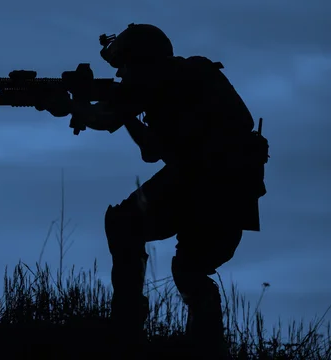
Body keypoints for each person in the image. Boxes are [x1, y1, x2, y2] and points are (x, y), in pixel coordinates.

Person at [35, 23, 269, 359]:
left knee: (125, 224)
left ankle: (128, 326)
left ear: (142, 63)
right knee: (189, 269)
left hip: (208, 185)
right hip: (229, 191)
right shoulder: (191, 75)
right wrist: (112, 108)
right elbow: (147, 137)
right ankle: (206, 346)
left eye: (125, 67)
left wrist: (79, 108)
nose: (123, 75)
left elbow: (149, 149)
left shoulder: (175, 86)